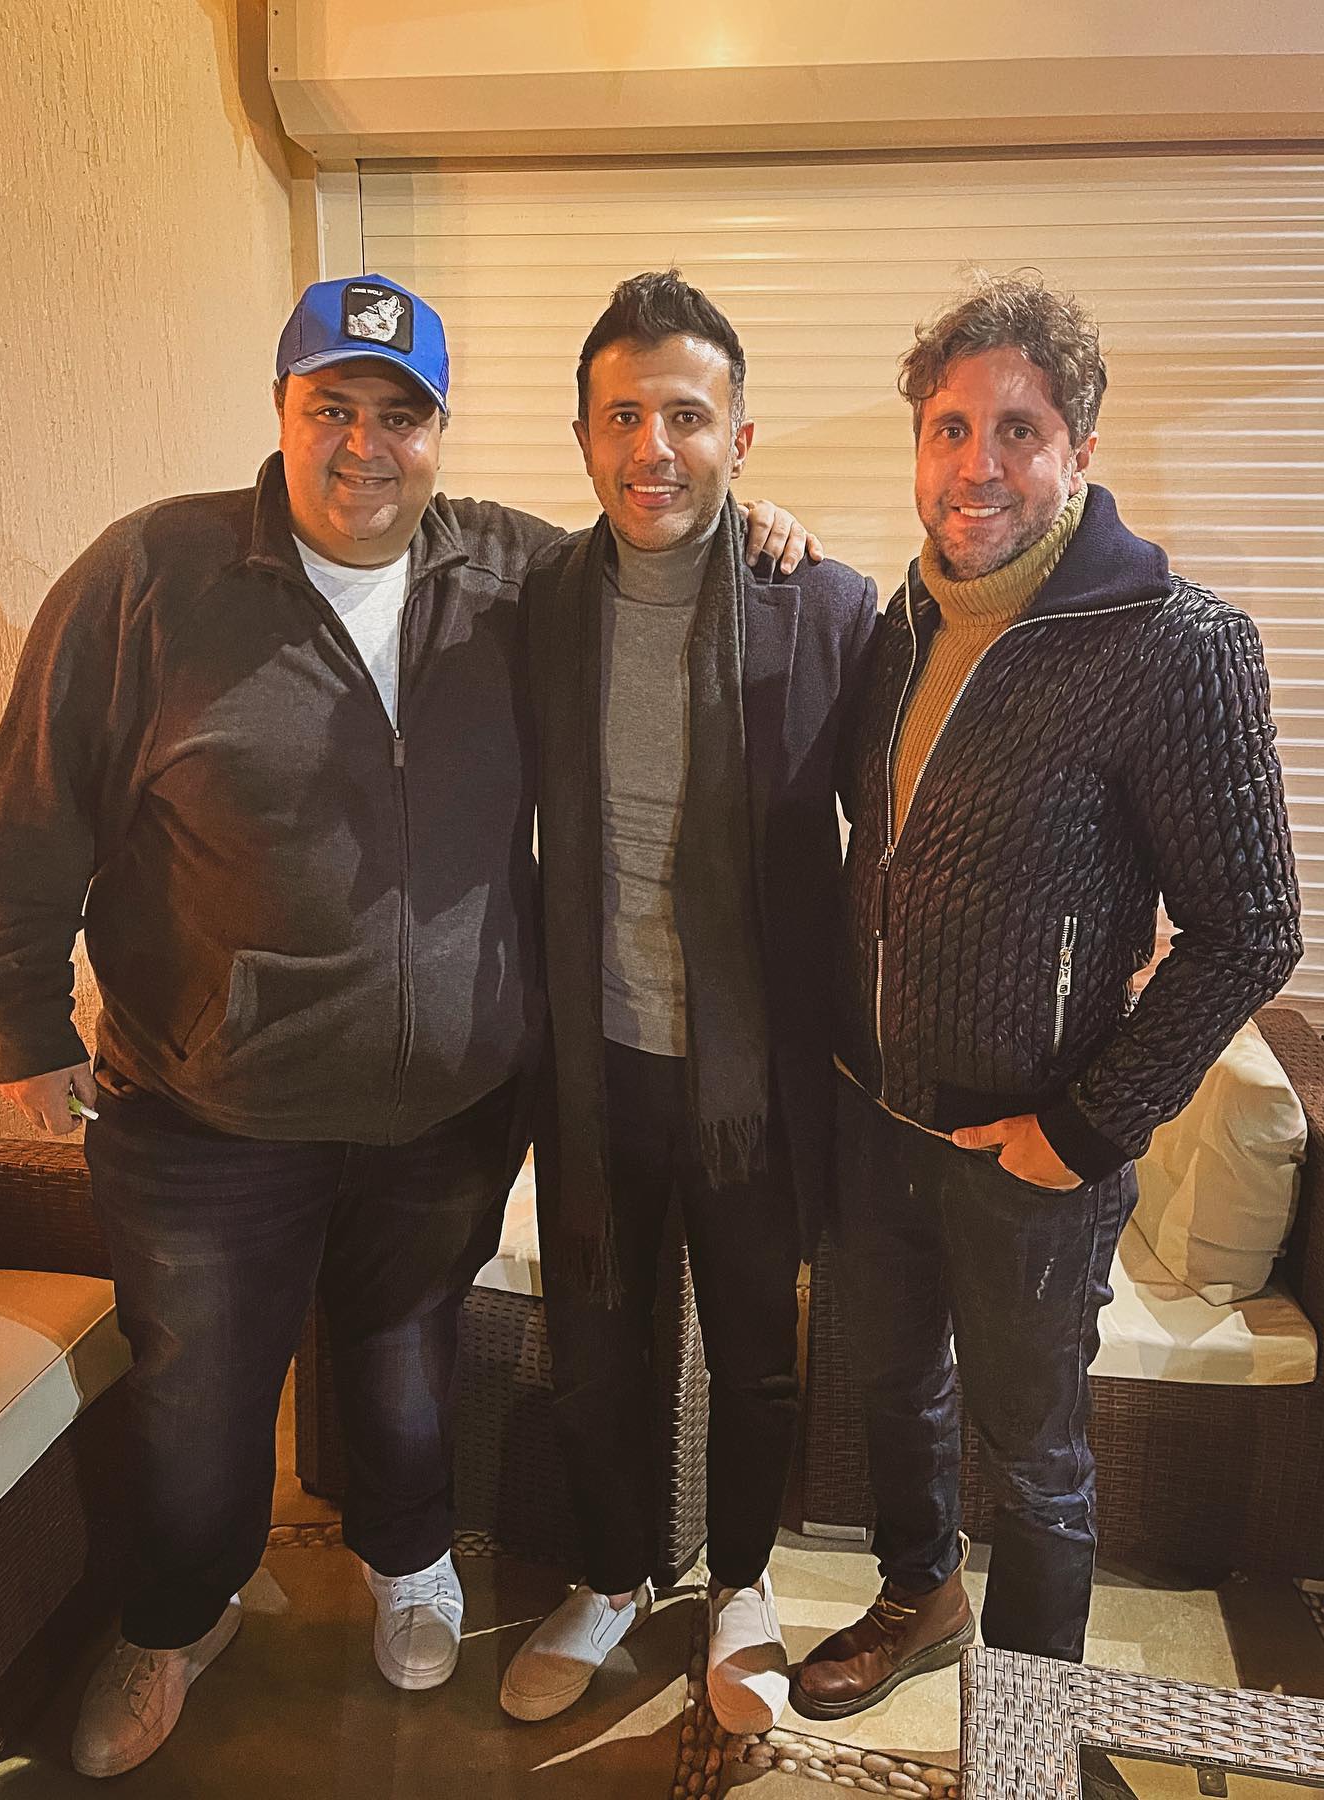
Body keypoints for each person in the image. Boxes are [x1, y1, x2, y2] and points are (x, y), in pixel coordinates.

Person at [0, 273, 813, 1779]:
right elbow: (31, 807)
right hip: (208, 1113)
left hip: (442, 1113)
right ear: (282, 412)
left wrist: (759, 534)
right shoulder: (152, 574)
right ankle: (176, 1618)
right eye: (333, 408)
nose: (366, 446)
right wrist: (22, 1016)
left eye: (400, 415)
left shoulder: (509, 569)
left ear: (441, 431)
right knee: (199, 1401)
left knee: (409, 1366)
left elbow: (659, 540)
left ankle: (409, 1563)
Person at [790, 271, 1302, 1719]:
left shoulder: (1175, 644)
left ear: (1078, 446)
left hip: (1032, 1154)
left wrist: (1086, 1128)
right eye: (949, 428)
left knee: (1036, 1463)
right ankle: (919, 1599)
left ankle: (1029, 1721)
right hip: (876, 1119)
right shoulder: (897, 622)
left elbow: (1251, 929)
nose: (978, 464)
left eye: (1018, 428)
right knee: (893, 1397)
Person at [497, 271, 878, 1736]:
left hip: (756, 1074)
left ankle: (742, 1586)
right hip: (598, 1064)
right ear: (584, 437)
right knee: (595, 1345)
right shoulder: (538, 599)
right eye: (623, 417)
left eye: (687, 416)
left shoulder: (823, 606)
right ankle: (610, 1576)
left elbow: (893, 837)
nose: (653, 447)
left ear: (740, 436)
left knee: (758, 1356)